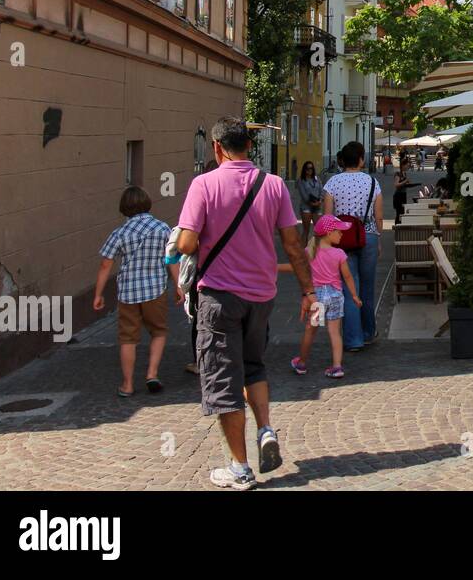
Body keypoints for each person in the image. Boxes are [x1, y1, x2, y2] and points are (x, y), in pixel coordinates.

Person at [175, 117, 315, 490]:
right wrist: (308, 291)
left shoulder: (203, 185)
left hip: (219, 297)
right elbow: (293, 244)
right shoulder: (273, 185)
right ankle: (265, 429)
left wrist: (189, 238)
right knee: (254, 366)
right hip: (262, 296)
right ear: (249, 147)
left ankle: (239, 468)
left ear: (218, 148)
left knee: (223, 379)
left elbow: (187, 245)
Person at [94, 186, 180, 397]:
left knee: (128, 339)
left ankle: (128, 384)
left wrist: (98, 293)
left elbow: (106, 264)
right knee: (158, 332)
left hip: (128, 293)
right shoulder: (162, 229)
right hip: (156, 289)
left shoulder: (120, 233)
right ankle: (152, 374)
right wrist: (179, 285)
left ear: (124, 207)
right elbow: (172, 259)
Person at [322, 140, 383, 353]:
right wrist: (378, 239)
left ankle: (353, 339)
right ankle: (368, 333)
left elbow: (328, 218)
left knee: (349, 290)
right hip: (368, 236)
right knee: (367, 288)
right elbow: (379, 216)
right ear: (360, 159)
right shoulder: (373, 183)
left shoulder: (332, 184)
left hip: (342, 241)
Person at [284, 216, 360, 378]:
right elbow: (347, 277)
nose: (341, 234)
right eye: (338, 231)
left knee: (310, 331)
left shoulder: (309, 252)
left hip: (317, 299)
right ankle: (337, 366)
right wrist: (354, 295)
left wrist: (273, 267)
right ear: (328, 233)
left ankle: (301, 363)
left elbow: (297, 269)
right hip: (335, 296)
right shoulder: (339, 253)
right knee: (334, 333)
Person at [296, 161, 323, 242]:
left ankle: (318, 252)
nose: (309, 170)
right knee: (306, 230)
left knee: (319, 231)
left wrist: (320, 201)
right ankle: (302, 252)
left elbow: (322, 190)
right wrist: (311, 203)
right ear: (304, 170)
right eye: (307, 168)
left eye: (311, 168)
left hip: (317, 206)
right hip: (306, 207)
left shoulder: (317, 178)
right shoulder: (301, 180)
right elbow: (303, 195)